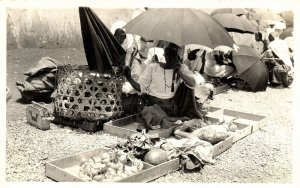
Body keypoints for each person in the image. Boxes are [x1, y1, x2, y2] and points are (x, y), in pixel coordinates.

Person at [124, 43, 201, 118]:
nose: (170, 57)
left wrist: (179, 71)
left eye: (173, 55)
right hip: (153, 105)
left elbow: (192, 84)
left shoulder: (182, 68)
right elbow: (140, 87)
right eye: (168, 54)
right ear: (165, 55)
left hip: (171, 108)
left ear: (178, 57)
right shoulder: (153, 67)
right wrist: (129, 78)